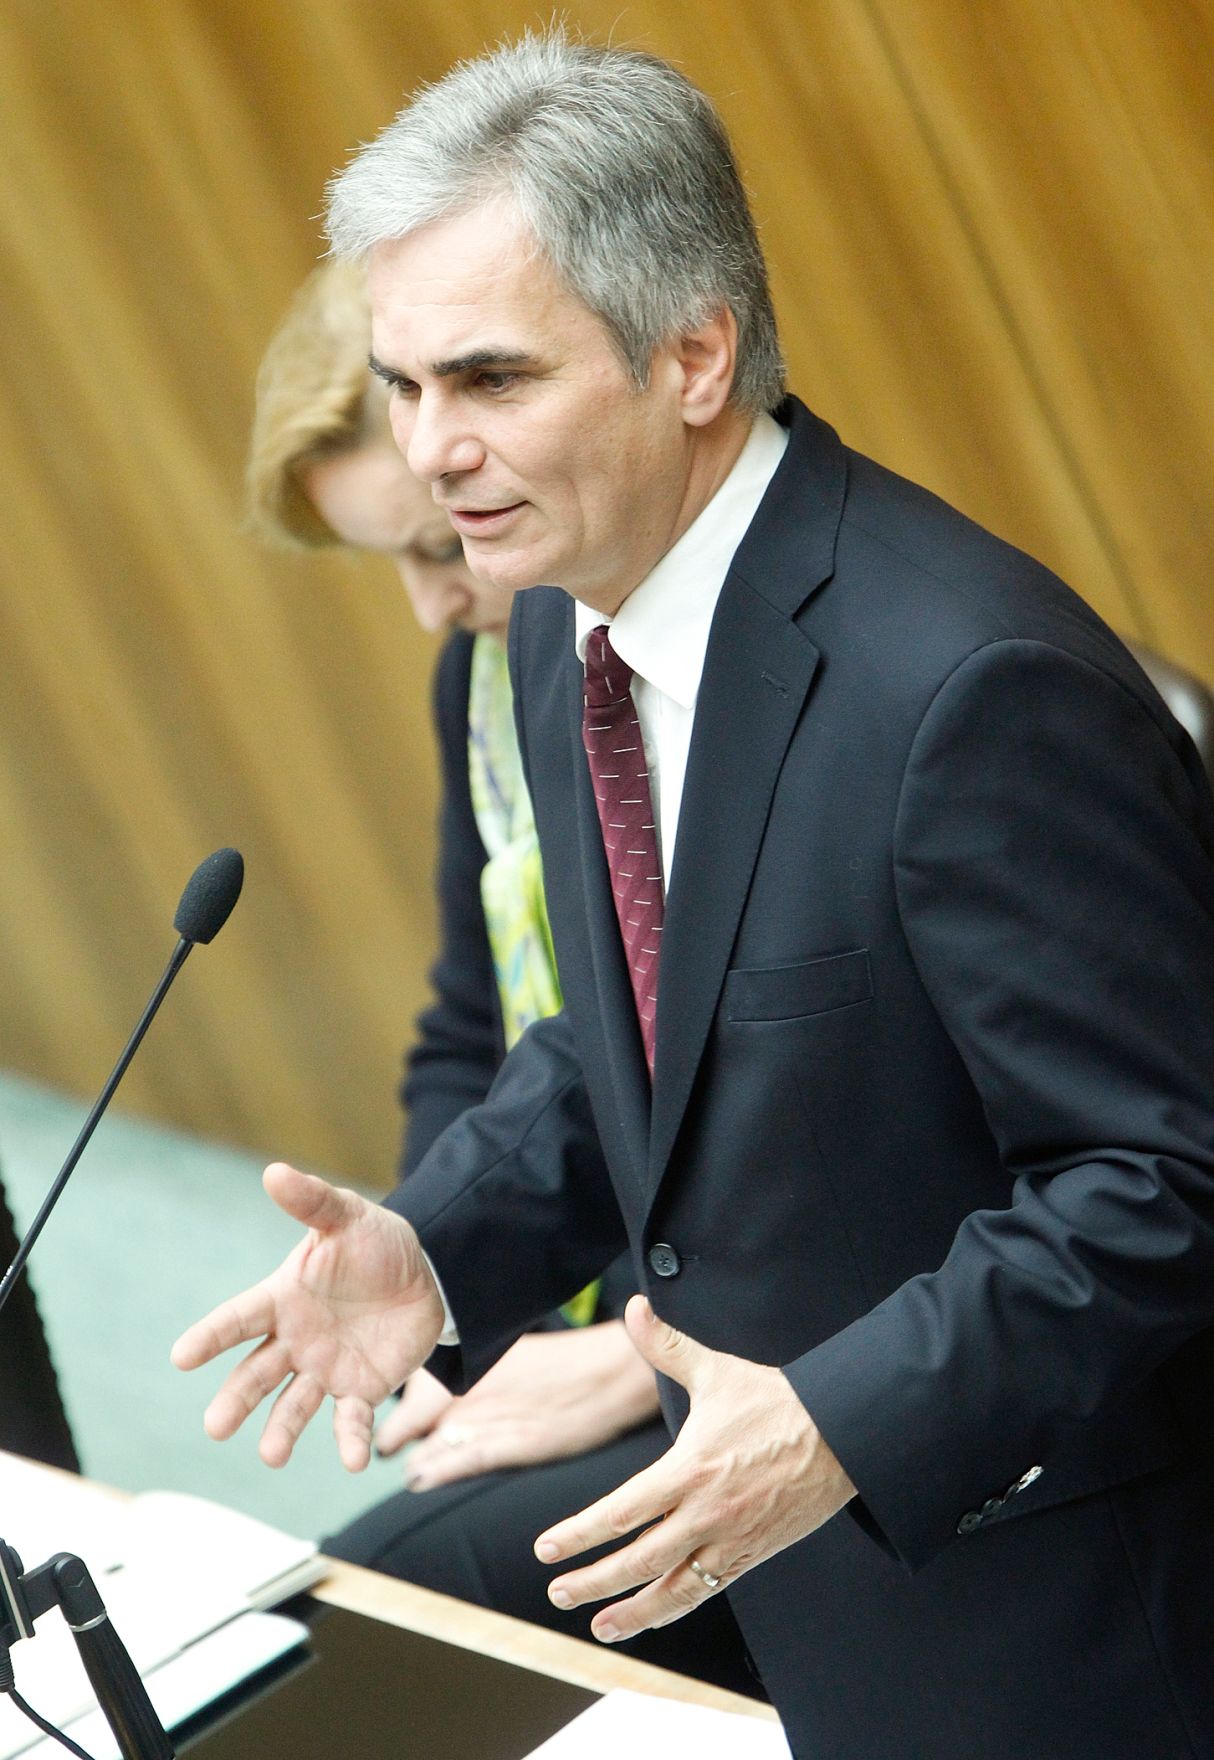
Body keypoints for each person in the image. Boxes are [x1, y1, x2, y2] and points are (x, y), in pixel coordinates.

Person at [175, 33, 1214, 1760]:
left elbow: (1165, 1179)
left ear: (693, 355)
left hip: (1049, 1597)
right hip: (782, 1535)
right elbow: (638, 1040)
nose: (431, 449)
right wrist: (444, 1242)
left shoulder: (965, 685)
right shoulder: (546, 618)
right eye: (406, 382)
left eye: (489, 380)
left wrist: (832, 1424)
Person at [243, 257, 755, 1690]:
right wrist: (429, 1273)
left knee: (369, 1626)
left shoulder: (685, 669)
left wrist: (640, 1363)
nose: (427, 603)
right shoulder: (487, 670)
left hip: (760, 1328)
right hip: (572, 1248)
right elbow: (472, 1026)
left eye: (434, 544)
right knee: (372, 1574)